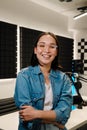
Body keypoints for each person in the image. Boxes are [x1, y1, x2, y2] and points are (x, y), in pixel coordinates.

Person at [14, 32, 72, 130]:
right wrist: (55, 120)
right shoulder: (24, 76)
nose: (46, 50)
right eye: (42, 45)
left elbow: (65, 113)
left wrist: (36, 114)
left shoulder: (64, 79)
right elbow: (26, 115)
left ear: (56, 52)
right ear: (35, 50)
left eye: (52, 47)